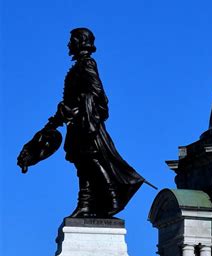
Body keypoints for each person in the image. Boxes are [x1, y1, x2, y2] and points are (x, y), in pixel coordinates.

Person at [18, 27, 148, 218]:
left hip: (86, 125)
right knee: (82, 164)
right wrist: (54, 122)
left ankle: (112, 197)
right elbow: (69, 102)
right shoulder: (78, 66)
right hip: (77, 125)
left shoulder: (87, 64)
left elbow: (97, 93)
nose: (69, 44)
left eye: (72, 40)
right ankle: (85, 204)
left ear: (80, 42)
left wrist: (78, 109)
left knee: (91, 160)